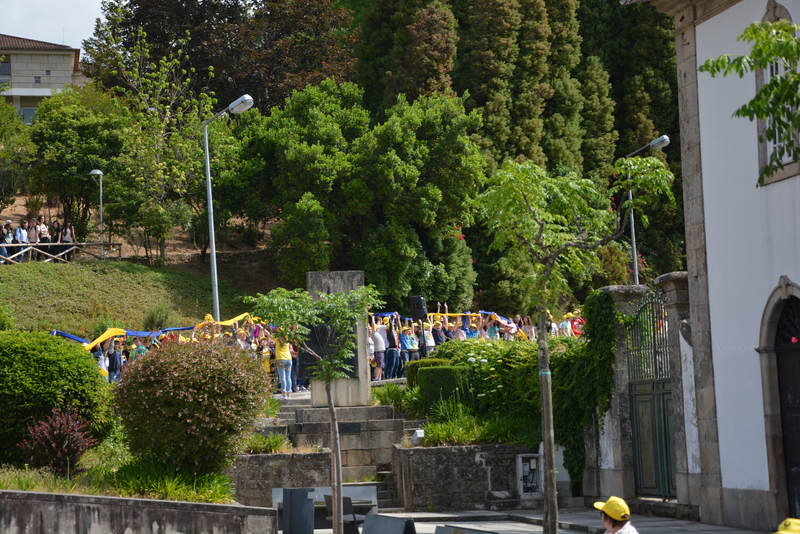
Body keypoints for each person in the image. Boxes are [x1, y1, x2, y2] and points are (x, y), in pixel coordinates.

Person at [274, 332, 293, 399]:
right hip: (289, 359)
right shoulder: (287, 339)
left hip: (280, 359)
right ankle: (289, 394)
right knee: (288, 377)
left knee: (282, 377)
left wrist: (261, 326)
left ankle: (284, 393)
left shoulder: (276, 339)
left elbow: (267, 333)